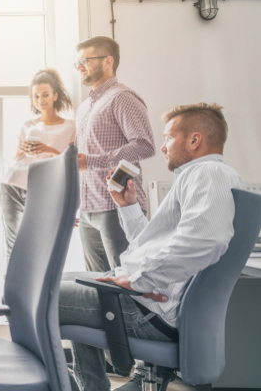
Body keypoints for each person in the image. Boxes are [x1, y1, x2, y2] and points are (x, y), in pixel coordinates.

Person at [61, 103, 244, 391]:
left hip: (147, 310)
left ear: (194, 140)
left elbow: (206, 240)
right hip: (147, 301)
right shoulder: (198, 177)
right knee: (62, 280)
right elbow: (152, 248)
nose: (162, 147)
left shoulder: (208, 174)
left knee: (40, 297)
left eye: (169, 137)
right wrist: (129, 206)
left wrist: (136, 280)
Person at [74, 36, 156, 272]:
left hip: (118, 207)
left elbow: (145, 145)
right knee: (97, 285)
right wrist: (78, 204)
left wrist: (92, 161)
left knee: (128, 282)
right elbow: (80, 162)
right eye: (77, 63)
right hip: (88, 212)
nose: (79, 67)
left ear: (108, 61)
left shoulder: (123, 97)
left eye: (84, 60)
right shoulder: (83, 108)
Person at [1, 68, 75, 260]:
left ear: (55, 96)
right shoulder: (28, 124)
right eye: (36, 96)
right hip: (13, 183)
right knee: (13, 244)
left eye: (45, 95)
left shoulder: (70, 126)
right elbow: (17, 156)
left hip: (42, 188)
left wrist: (47, 149)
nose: (40, 100)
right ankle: (14, 291)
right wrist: (24, 148)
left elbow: (71, 162)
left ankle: (37, 289)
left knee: (41, 244)